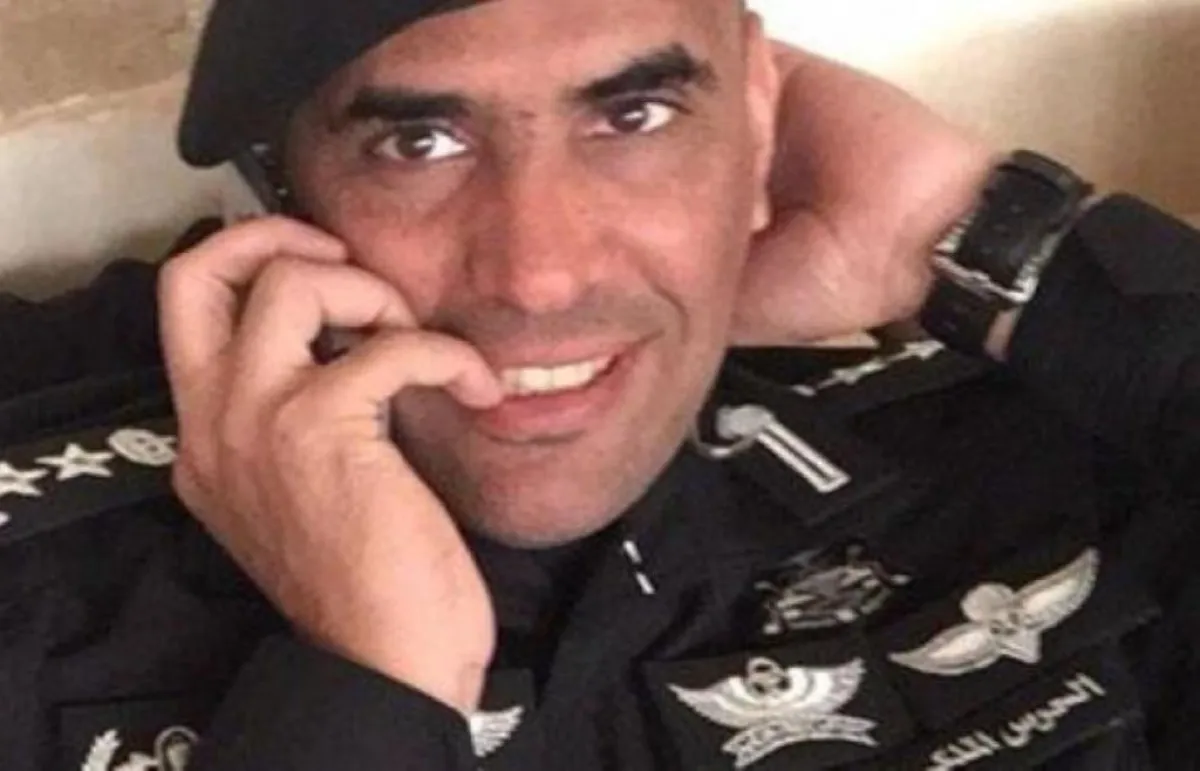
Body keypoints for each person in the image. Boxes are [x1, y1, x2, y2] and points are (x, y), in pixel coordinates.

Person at [0, 0, 1195, 769]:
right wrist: (366, 688)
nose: (540, 275)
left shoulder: (1024, 419)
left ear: (760, 114)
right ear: (278, 188)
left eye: (634, 115)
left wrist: (996, 237)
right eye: (418, 143)